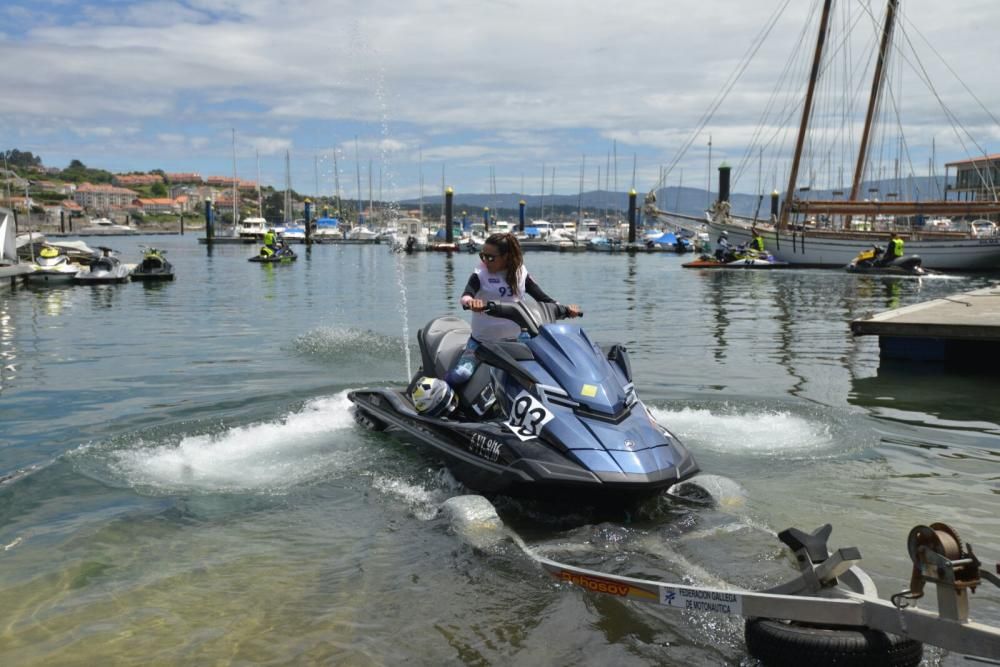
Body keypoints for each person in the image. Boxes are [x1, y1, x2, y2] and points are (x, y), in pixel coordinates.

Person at [446, 232, 581, 386]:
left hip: (518, 341)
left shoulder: (520, 273)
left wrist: (567, 309)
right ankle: (439, 392)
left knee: (547, 371)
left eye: (490, 257)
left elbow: (544, 299)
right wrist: (472, 303)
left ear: (506, 257)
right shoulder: (480, 274)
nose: (485, 261)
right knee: (461, 375)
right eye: (482, 256)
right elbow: (465, 296)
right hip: (483, 343)